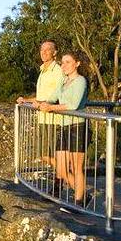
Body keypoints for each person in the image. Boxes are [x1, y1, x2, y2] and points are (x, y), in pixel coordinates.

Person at [36, 51, 90, 206]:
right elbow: (52, 98)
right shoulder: (64, 81)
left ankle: (78, 203)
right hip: (64, 126)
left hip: (77, 126)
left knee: (76, 167)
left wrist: (51, 107)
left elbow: (73, 105)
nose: (64, 65)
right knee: (61, 168)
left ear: (77, 63)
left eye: (68, 62)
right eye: (63, 62)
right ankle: (84, 196)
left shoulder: (80, 81)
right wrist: (39, 103)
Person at [17, 41, 65, 169]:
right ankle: (63, 179)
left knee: (55, 155)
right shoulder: (42, 70)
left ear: (54, 53)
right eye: (41, 50)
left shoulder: (58, 71)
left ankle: (67, 181)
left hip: (55, 119)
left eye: (47, 50)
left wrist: (43, 103)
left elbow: (58, 95)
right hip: (43, 118)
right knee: (44, 155)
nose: (43, 53)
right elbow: (41, 97)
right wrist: (26, 100)